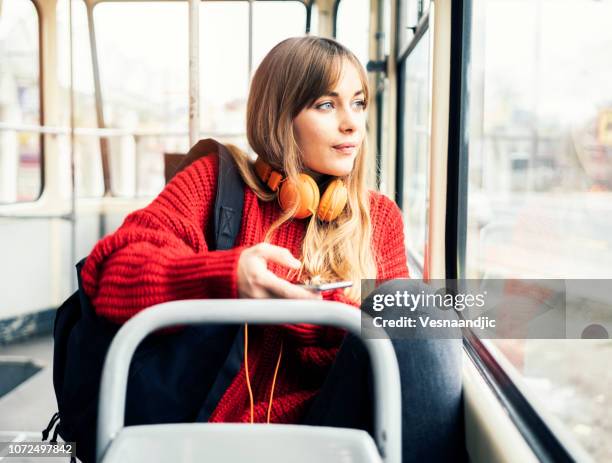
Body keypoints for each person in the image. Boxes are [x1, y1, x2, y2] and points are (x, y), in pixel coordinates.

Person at [81, 36, 465, 462]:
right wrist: (229, 276)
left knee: (416, 308)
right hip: (212, 426)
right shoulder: (215, 184)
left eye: (358, 103)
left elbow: (398, 354)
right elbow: (114, 273)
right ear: (280, 116)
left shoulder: (380, 218)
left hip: (334, 425)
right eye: (326, 105)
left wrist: (314, 309)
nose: (352, 123)